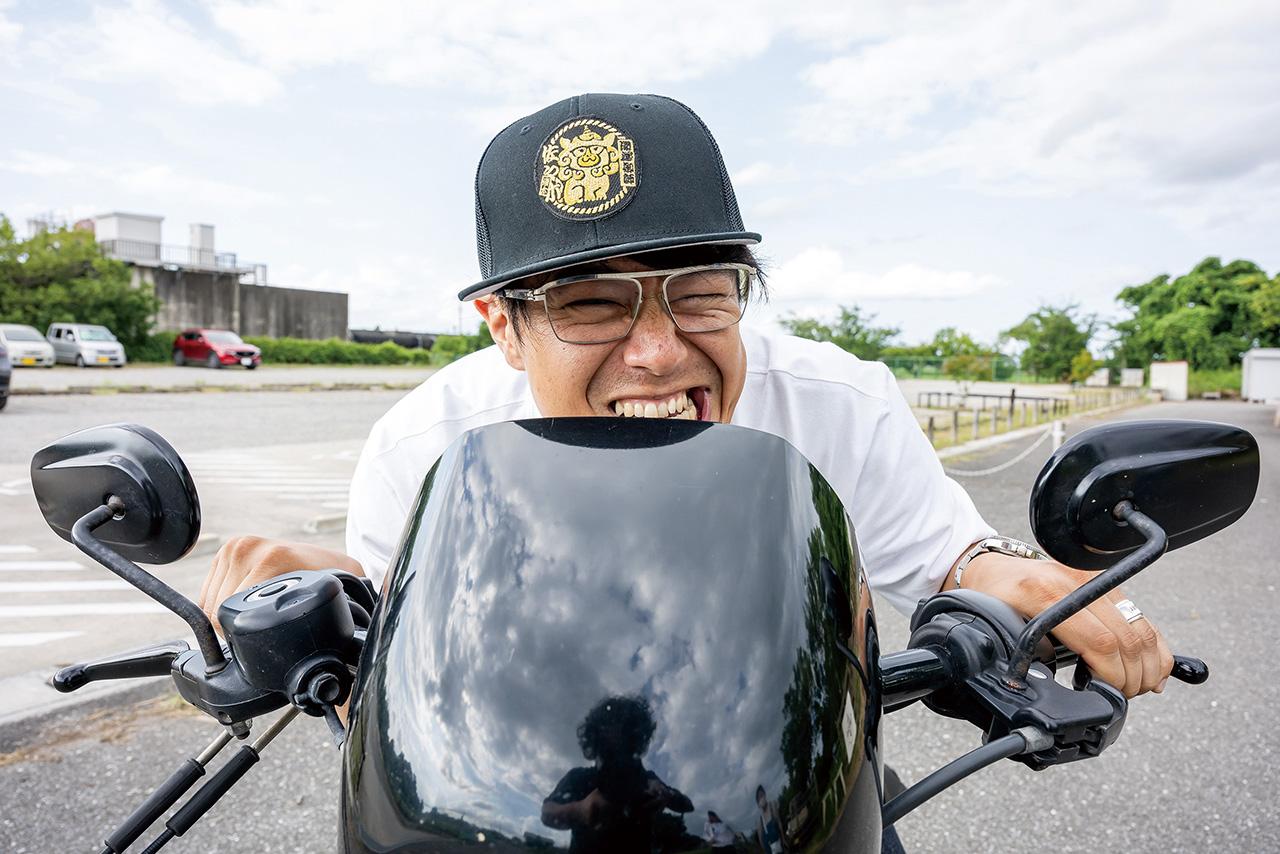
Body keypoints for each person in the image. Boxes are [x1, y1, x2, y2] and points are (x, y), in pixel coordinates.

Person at [541, 695, 692, 854]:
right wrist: (580, 810)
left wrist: (665, 794)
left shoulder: (647, 779)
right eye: (608, 726)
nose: (617, 736)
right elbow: (547, 812)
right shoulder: (579, 777)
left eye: (626, 729)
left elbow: (687, 805)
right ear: (595, 736)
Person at [754, 786, 784, 853]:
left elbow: (779, 823)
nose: (761, 799)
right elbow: (761, 841)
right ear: (757, 803)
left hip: (779, 847)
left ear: (765, 795)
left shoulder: (772, 806)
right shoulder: (760, 821)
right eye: (758, 798)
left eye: (761, 795)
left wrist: (783, 839)